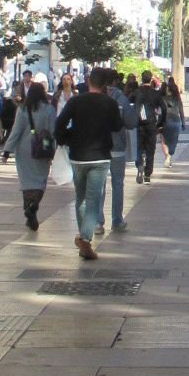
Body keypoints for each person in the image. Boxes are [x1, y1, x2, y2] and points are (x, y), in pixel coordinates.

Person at [55, 66, 123, 261]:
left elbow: (59, 124)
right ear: (105, 85)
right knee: (94, 198)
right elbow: (117, 126)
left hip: (78, 155)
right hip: (100, 155)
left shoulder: (76, 101)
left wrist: (67, 138)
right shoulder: (110, 103)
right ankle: (85, 238)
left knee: (81, 198)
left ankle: (84, 236)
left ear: (89, 82)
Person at [0, 79, 56, 233]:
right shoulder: (50, 110)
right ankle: (34, 204)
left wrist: (7, 151)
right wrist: (56, 149)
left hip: (25, 149)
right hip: (43, 148)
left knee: (26, 181)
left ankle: (28, 206)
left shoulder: (23, 109)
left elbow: (16, 131)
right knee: (41, 179)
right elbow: (53, 131)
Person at [106, 69, 135, 233]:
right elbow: (131, 123)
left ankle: (98, 222)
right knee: (117, 184)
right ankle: (117, 220)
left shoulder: (95, 97)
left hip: (98, 147)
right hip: (117, 147)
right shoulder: (122, 99)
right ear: (116, 81)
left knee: (99, 185)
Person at [135, 69, 165, 183]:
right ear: (151, 79)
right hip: (151, 124)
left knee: (139, 147)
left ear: (142, 79)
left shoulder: (137, 92)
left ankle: (139, 164)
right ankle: (147, 174)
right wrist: (161, 122)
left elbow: (128, 102)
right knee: (150, 149)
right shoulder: (155, 93)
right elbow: (164, 108)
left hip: (139, 123)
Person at [161, 75, 184, 165]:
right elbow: (181, 112)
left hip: (166, 120)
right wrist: (183, 123)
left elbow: (160, 111)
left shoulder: (163, 99)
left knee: (164, 140)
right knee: (173, 140)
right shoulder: (178, 100)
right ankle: (170, 154)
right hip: (176, 120)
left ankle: (167, 155)